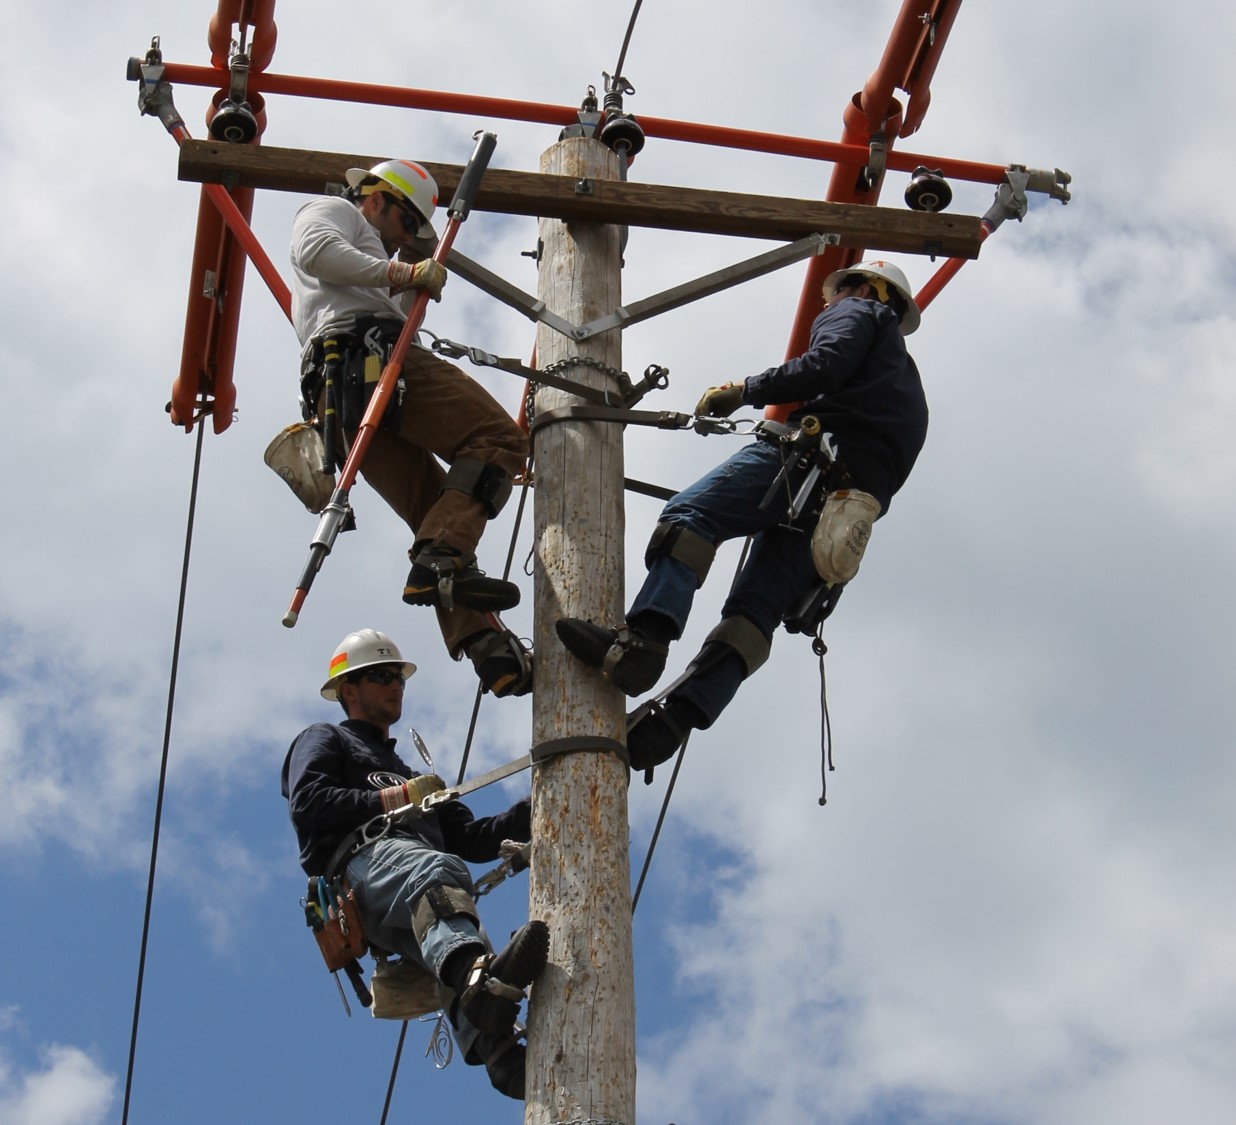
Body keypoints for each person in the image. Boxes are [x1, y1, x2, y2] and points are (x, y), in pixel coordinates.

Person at [556, 259, 928, 772]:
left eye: (835, 295)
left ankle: (644, 641)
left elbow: (824, 365)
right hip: (844, 516)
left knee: (690, 516)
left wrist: (744, 390)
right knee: (754, 615)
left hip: (808, 463)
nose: (828, 304)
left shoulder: (860, 312)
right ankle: (673, 722)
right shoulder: (908, 388)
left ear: (864, 288)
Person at [290, 158, 532, 697]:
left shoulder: (373, 262)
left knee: (433, 511)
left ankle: (485, 647)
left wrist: (407, 270)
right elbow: (316, 251)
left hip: (346, 393)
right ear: (375, 199)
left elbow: (392, 303)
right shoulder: (332, 212)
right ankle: (440, 559)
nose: (403, 240)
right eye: (405, 223)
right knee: (497, 440)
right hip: (366, 356)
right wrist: (403, 274)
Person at [281, 628, 548, 1099]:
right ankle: (480, 983)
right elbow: (308, 802)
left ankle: (500, 1054)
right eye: (382, 676)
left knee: (455, 926)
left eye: (399, 678)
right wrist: (394, 798)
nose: (396, 686)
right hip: (362, 867)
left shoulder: (409, 774)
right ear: (348, 690)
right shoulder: (326, 737)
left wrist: (541, 806)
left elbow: (471, 838)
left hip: (401, 895)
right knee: (435, 874)